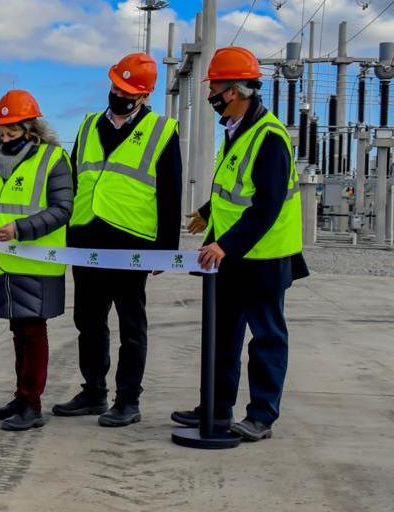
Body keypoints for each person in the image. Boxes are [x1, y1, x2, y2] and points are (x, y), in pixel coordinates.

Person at [172, 47, 309, 442]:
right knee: (223, 337)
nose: (210, 93)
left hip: (263, 258)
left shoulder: (269, 138)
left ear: (232, 91)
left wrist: (226, 244)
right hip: (231, 255)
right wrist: (206, 212)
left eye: (214, 86)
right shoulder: (236, 130)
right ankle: (215, 409)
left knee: (266, 338)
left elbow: (265, 207)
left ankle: (261, 417)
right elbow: (234, 191)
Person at [53, 52, 183, 427]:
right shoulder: (89, 124)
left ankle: (128, 400)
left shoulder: (161, 130)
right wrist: (69, 233)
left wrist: (165, 250)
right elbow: (77, 178)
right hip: (86, 236)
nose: (118, 94)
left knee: (131, 324)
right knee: (88, 320)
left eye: (127, 90)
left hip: (132, 242)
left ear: (143, 96)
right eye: (115, 86)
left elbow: (169, 193)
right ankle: (94, 391)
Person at [0, 90, 73, 431]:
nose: (6, 138)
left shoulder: (53, 159)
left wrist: (20, 229)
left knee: (33, 332)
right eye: (2, 131)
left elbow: (62, 210)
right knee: (18, 332)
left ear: (31, 128)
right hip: (4, 262)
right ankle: (22, 396)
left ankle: (32, 405)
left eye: (13, 131)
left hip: (37, 262)